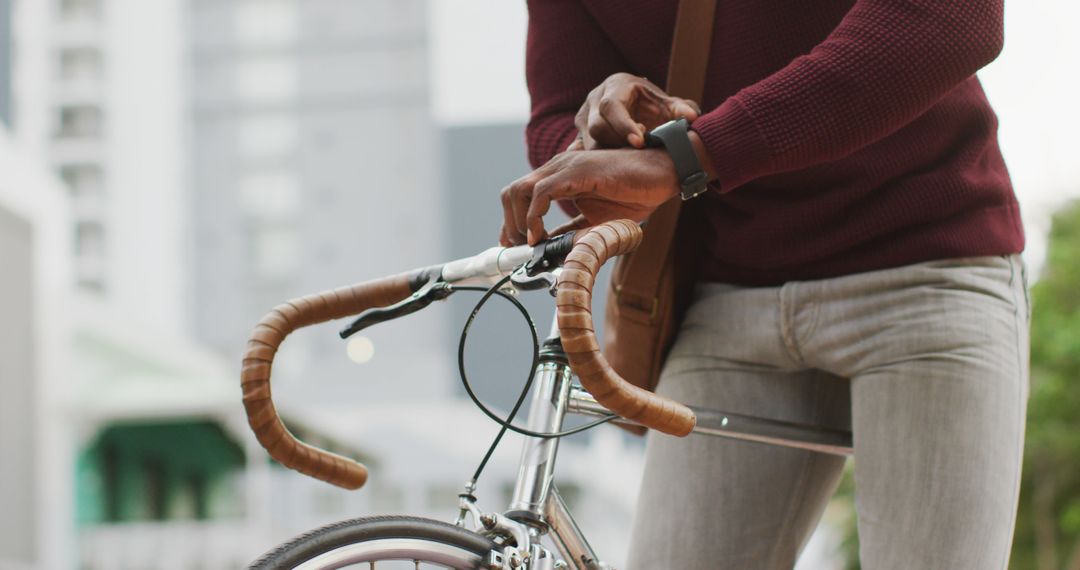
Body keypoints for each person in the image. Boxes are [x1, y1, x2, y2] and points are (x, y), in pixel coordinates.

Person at [498, 0, 1029, 568]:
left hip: (924, 268)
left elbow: (952, 21)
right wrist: (618, 136)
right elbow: (557, 118)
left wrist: (691, 154)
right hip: (729, 298)